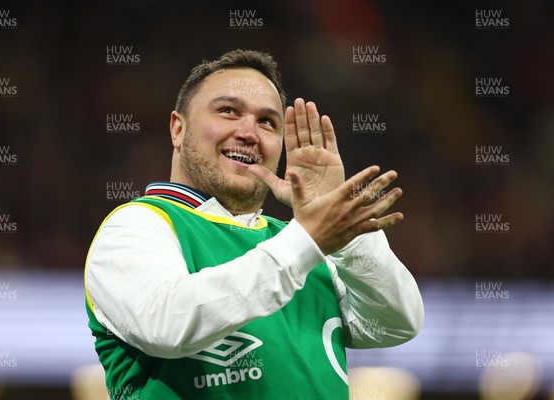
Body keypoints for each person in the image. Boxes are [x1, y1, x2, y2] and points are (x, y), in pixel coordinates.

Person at [84, 49, 424, 399]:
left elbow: (397, 324)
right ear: (178, 129)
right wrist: (308, 238)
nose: (248, 132)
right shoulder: (135, 226)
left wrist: (342, 229)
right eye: (228, 111)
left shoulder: (303, 244)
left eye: (267, 122)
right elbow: (168, 325)